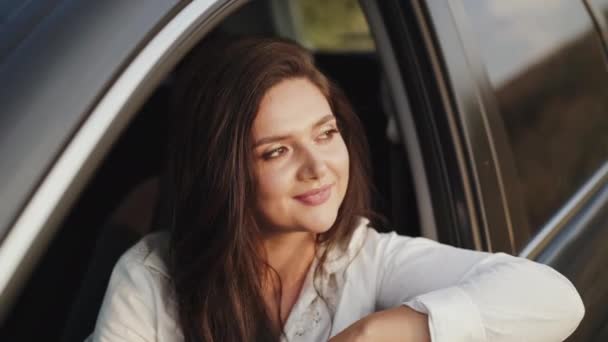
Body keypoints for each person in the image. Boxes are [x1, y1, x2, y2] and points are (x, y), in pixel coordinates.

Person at [88, 37, 584, 342]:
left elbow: (555, 300)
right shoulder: (151, 280)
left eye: (326, 134)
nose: (317, 167)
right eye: (276, 151)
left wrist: (380, 332)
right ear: (224, 173)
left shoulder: (367, 262)